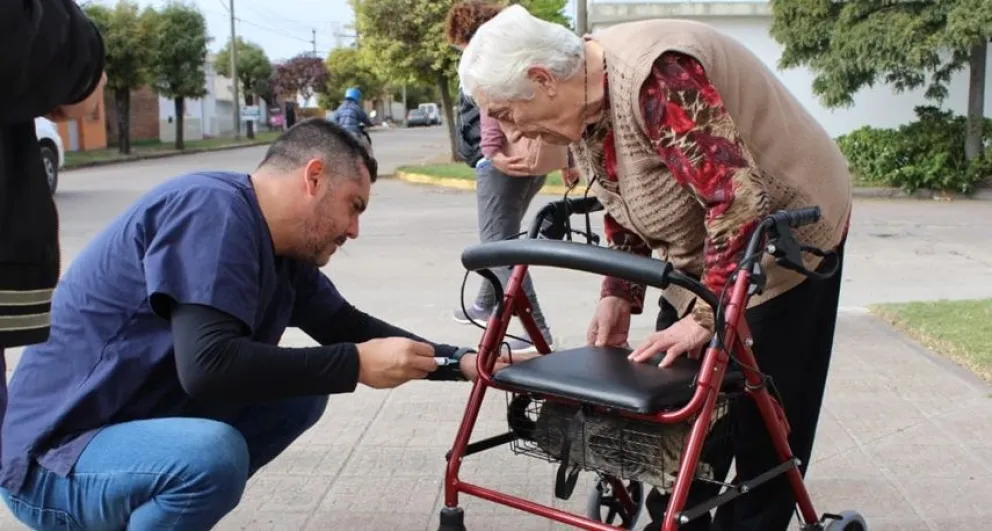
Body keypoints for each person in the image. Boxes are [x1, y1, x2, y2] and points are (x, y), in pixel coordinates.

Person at [0, 118, 515, 530]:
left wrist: (467, 361)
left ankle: (158, 505)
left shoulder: (283, 248)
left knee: (301, 393)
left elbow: (346, 324)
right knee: (210, 456)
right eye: (352, 207)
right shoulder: (211, 210)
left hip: (121, 437)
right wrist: (355, 364)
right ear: (313, 178)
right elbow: (208, 368)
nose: (354, 230)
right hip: (54, 463)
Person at [457, 6, 852, 531]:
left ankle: (754, 519)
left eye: (506, 112)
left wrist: (707, 317)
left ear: (541, 79)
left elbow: (736, 202)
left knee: (767, 411)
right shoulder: (578, 101)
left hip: (786, 235)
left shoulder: (660, 76)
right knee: (684, 391)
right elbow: (624, 193)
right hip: (708, 242)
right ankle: (684, 515)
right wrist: (618, 292)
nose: (508, 129)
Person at [444, 0, 580, 353]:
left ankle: (538, 330)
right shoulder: (521, 43)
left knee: (497, 249)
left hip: (504, 162)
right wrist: (569, 156)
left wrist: (491, 152)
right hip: (536, 160)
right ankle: (484, 303)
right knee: (502, 238)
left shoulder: (487, 51)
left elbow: (492, 108)